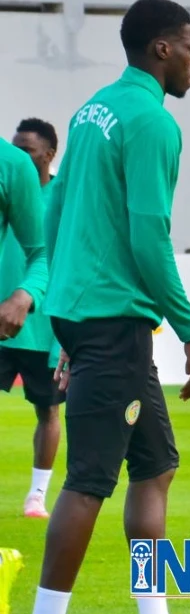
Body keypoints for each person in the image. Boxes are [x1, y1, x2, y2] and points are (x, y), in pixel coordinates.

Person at [27, 0, 190, 614]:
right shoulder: (153, 122)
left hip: (85, 315)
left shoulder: (91, 110)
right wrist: (189, 329)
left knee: (155, 466)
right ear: (162, 49)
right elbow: (149, 237)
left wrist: (61, 320)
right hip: (115, 322)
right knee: (87, 483)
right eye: (189, 45)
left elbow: (55, 213)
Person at [1, 119, 63, 519]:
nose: (20, 156)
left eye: (29, 150)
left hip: (44, 328)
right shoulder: (7, 175)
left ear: (49, 154)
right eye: (16, 148)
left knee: (48, 410)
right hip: (2, 321)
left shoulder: (66, 194)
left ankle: (37, 495)